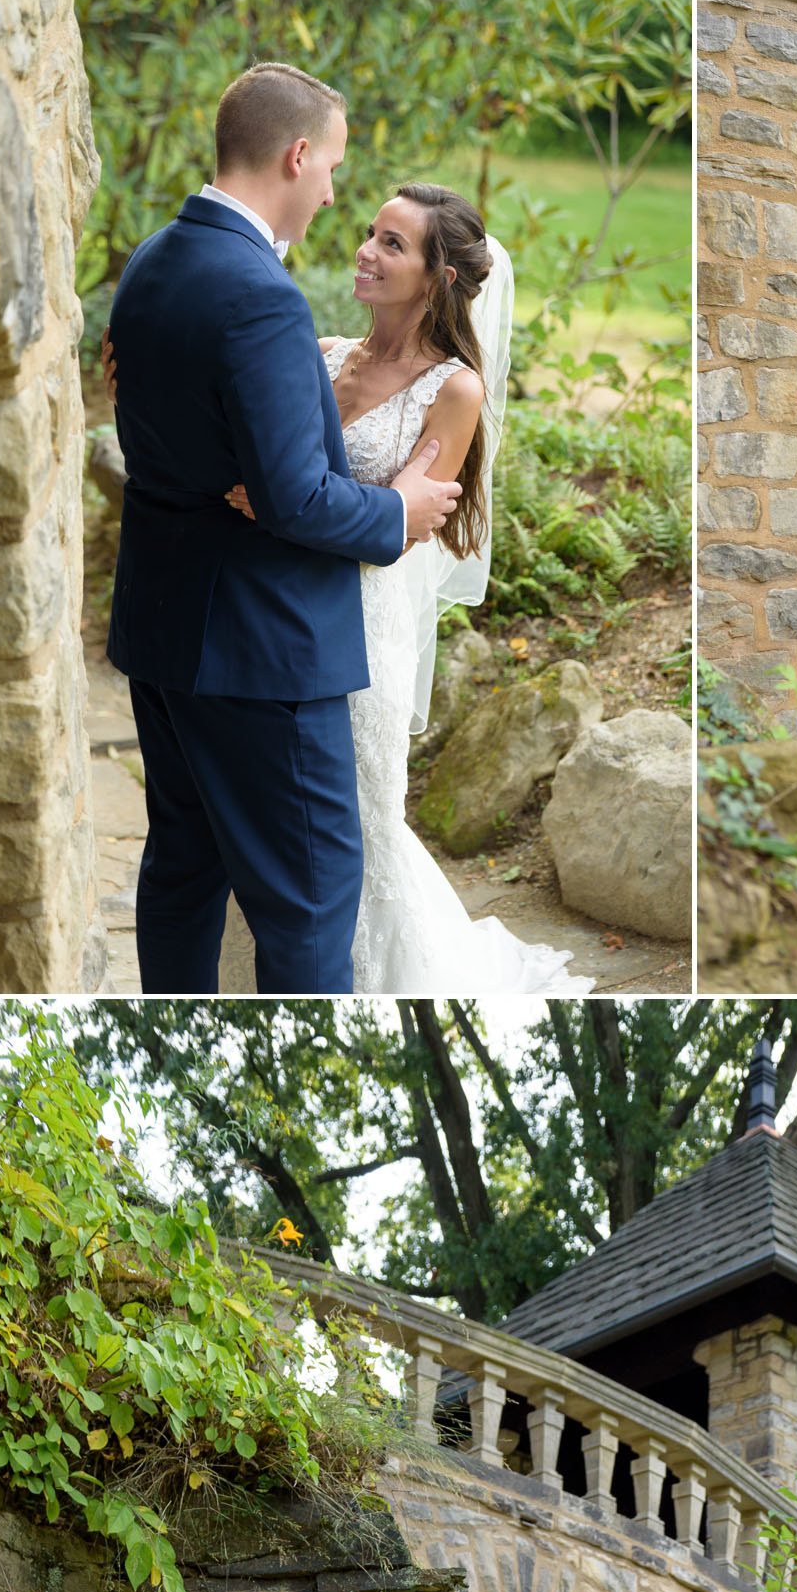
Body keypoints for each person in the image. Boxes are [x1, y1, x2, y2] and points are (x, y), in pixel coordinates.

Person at [106, 62, 462, 993]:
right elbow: (295, 497)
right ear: (298, 155)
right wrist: (401, 509)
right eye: (334, 167)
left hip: (163, 627)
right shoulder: (262, 296)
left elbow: (145, 409)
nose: (335, 191)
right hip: (264, 652)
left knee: (182, 865)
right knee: (308, 901)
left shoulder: (153, 260)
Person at [316, 183, 549, 1002]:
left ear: (438, 276)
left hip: (365, 627)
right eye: (368, 234)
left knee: (362, 822)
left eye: (391, 243)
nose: (365, 251)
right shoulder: (321, 353)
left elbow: (404, 524)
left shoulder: (453, 390)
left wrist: (285, 502)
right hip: (288, 614)